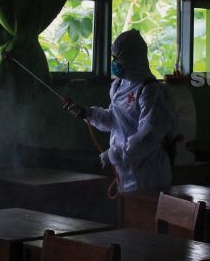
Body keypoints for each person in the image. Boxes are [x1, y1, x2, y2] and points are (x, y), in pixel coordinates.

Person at [64, 30, 177, 192]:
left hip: (148, 173)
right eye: (113, 58)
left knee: (145, 214)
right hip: (124, 171)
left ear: (132, 58)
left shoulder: (149, 89)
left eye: (117, 58)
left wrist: (114, 155)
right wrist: (88, 113)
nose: (114, 63)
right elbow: (114, 119)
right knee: (127, 214)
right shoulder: (118, 85)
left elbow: (148, 136)